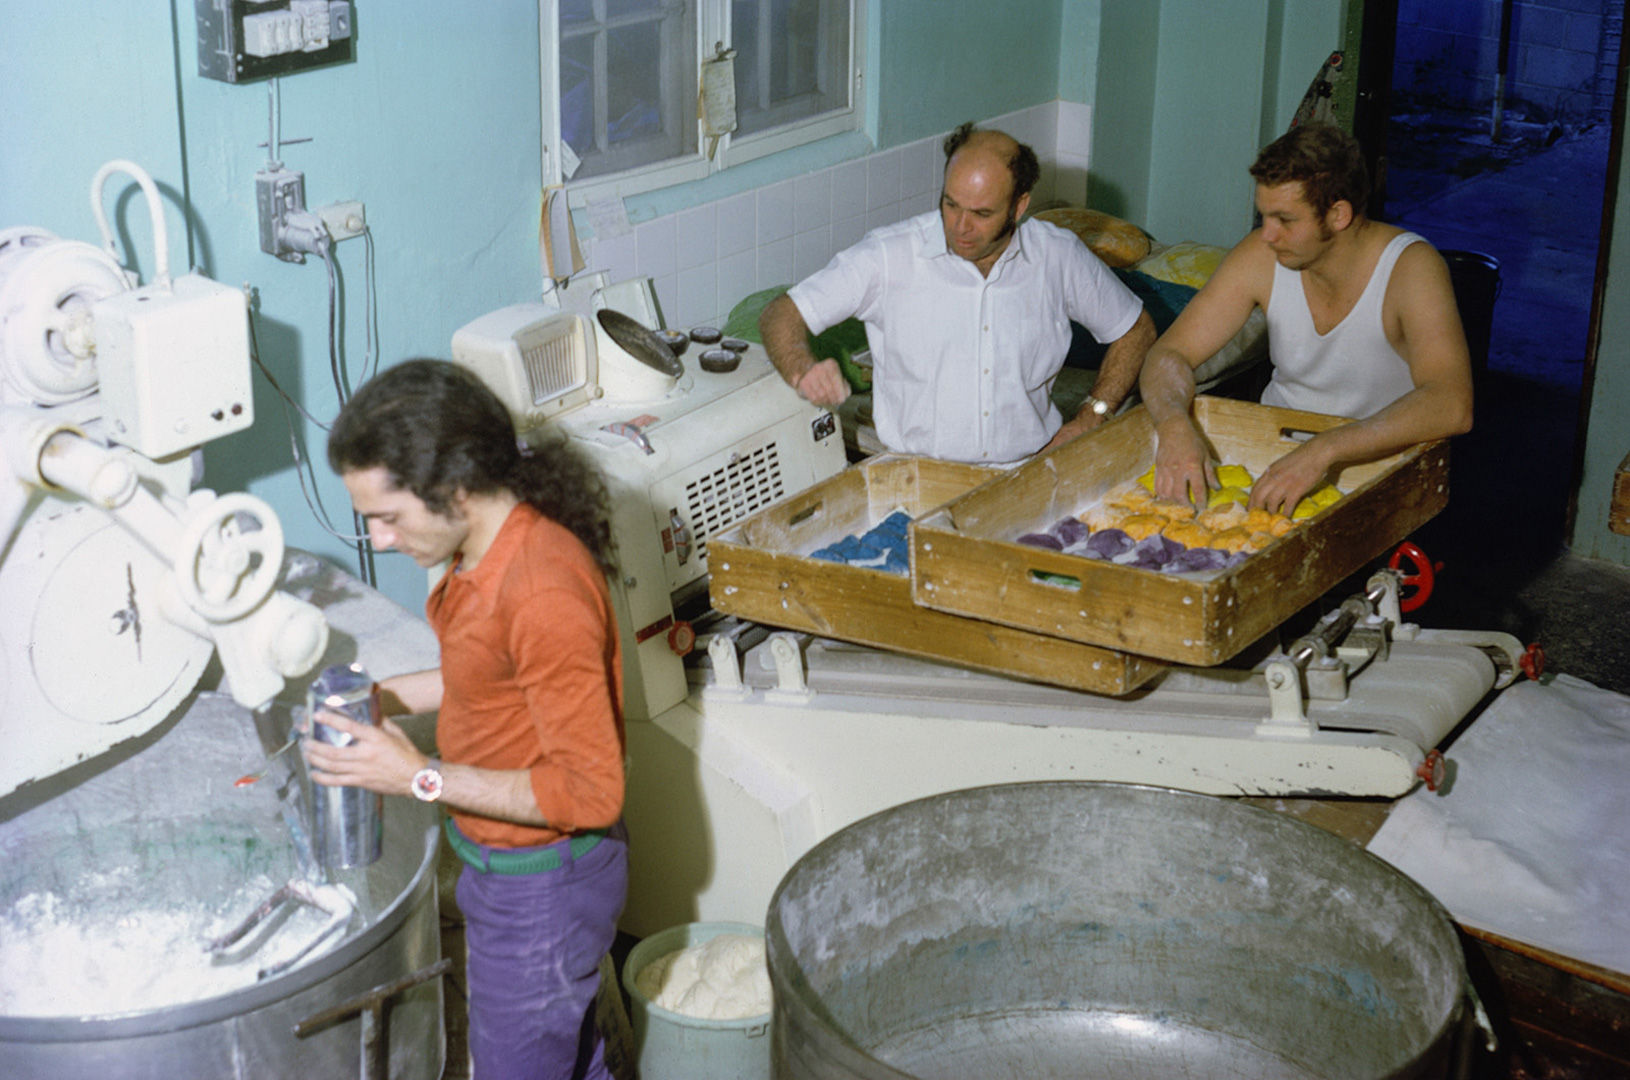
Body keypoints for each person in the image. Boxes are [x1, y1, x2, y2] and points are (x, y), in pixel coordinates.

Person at [307, 359, 627, 1080]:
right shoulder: (485, 554)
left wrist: (415, 775)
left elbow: (590, 793)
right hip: (512, 872)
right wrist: (383, 700)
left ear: (454, 488)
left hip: (544, 886)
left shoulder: (541, 587)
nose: (380, 540)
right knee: (573, 1058)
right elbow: (489, 679)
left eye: (388, 517)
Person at [760, 122, 1157, 464]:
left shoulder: (1057, 256)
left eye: (982, 214)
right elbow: (780, 313)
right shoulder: (888, 255)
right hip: (917, 476)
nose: (960, 227)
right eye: (950, 205)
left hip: (1025, 473)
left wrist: (1092, 415)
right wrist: (803, 368)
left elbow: (1135, 329)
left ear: (1019, 206)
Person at [1140, 123, 1474, 514]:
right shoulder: (1260, 257)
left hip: (1372, 465)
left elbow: (1451, 403)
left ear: (1338, 214)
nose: (1267, 235)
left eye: (1285, 220)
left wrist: (1326, 448)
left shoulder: (1410, 268)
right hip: (1273, 452)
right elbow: (1169, 354)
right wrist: (1174, 424)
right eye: (1263, 217)